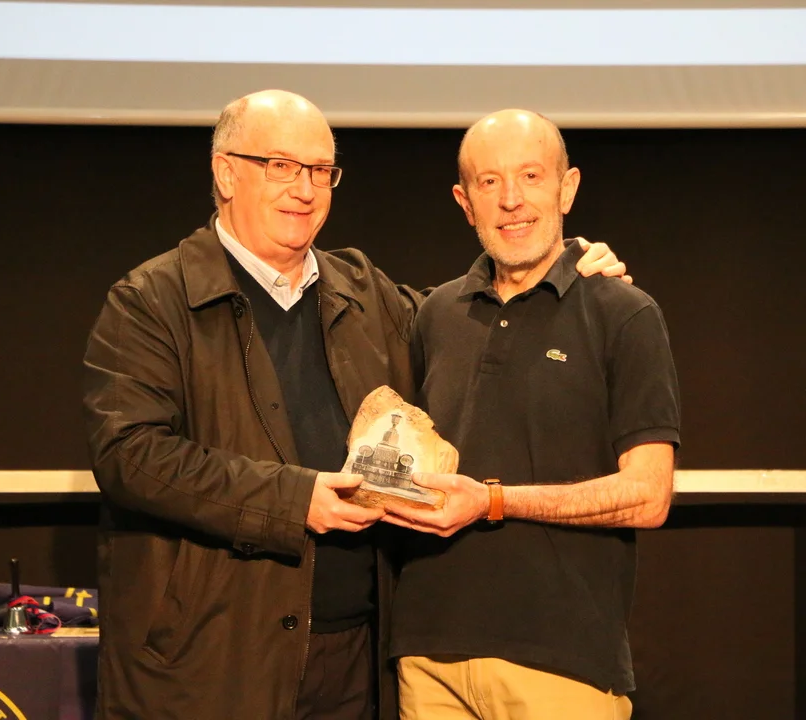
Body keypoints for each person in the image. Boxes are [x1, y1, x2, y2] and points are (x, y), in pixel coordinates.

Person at [81, 90, 629, 720]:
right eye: (281, 166)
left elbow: (477, 316)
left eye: (321, 171)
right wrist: (293, 500)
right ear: (226, 173)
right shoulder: (151, 301)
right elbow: (129, 455)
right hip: (212, 662)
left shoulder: (365, 292)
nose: (304, 190)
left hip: (357, 658)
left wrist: (565, 270)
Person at [383, 109, 681, 720]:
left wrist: (493, 501)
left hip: (560, 662)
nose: (511, 199)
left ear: (567, 188)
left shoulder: (624, 313)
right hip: (428, 654)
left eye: (530, 176)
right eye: (490, 181)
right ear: (465, 202)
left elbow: (648, 496)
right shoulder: (435, 314)